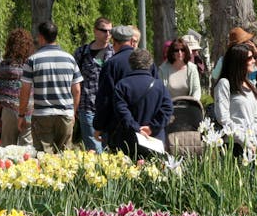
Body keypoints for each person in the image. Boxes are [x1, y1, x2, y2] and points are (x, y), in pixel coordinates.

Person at [18, 21, 83, 153]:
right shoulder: (69, 59)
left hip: (43, 115)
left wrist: (21, 114)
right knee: (64, 157)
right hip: (65, 114)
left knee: (43, 156)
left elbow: (25, 91)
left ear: (41, 37)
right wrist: (73, 112)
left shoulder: (33, 60)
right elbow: (76, 90)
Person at [94, 25, 157, 146]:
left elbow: (104, 99)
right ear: (131, 41)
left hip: (118, 127)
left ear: (114, 41)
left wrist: (99, 126)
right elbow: (157, 90)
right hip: (146, 126)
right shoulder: (147, 62)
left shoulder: (111, 64)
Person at [111, 49, 173, 158]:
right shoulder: (159, 86)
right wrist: (152, 127)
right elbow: (168, 109)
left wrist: (136, 128)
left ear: (131, 63)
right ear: (150, 64)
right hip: (154, 140)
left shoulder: (122, 85)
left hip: (128, 139)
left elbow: (121, 111)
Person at [73, 17, 114, 152]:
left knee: (110, 150)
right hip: (87, 106)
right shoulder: (82, 52)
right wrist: (75, 106)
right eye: (104, 30)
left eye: (110, 31)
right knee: (94, 151)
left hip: (109, 109)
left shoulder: (114, 52)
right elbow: (74, 80)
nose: (107, 34)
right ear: (95, 31)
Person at [213, 43, 257, 155]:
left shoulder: (250, 85)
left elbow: (255, 118)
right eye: (250, 58)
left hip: (252, 146)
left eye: (254, 57)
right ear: (239, 61)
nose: (254, 61)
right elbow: (223, 118)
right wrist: (244, 141)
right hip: (234, 145)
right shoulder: (224, 84)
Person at [0, 28, 35, 147]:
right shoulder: (32, 64)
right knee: (27, 147)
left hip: (9, 110)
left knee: (7, 146)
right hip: (29, 109)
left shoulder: (5, 65)